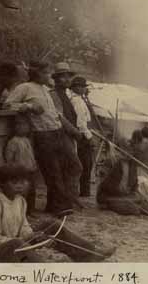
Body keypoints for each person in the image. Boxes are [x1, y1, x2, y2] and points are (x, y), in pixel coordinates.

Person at [0, 165, 115, 263]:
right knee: (16, 243)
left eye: (24, 181)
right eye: (15, 182)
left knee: (50, 225)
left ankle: (89, 254)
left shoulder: (20, 201)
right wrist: (25, 242)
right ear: (1, 184)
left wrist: (35, 236)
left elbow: (24, 229)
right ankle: (45, 272)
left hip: (14, 246)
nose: (21, 185)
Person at [3, 61, 81, 217]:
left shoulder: (46, 90)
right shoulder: (24, 88)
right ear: (36, 73)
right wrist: (29, 107)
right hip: (42, 135)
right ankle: (59, 207)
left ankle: (57, 202)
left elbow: (55, 114)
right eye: (45, 73)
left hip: (58, 131)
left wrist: (71, 130)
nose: (48, 76)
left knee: (74, 165)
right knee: (53, 171)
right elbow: (7, 105)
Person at [49, 62, 83, 201]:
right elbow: (59, 117)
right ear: (56, 79)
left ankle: (68, 198)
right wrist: (75, 131)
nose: (67, 79)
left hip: (68, 137)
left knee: (67, 168)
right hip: (60, 136)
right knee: (75, 166)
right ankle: (67, 198)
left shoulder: (66, 95)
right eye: (63, 76)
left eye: (69, 76)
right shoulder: (54, 95)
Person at [96, 147, 148, 216]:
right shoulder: (113, 162)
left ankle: (133, 205)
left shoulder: (133, 164)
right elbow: (106, 185)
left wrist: (135, 194)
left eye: (131, 151)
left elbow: (134, 184)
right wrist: (122, 194)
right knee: (133, 208)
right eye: (127, 151)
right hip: (111, 195)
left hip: (125, 195)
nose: (129, 153)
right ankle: (126, 205)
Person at [4, 114, 38, 215]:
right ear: (16, 127)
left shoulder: (27, 140)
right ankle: (21, 212)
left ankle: (30, 211)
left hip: (30, 170)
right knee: (21, 193)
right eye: (20, 125)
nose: (24, 128)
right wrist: (13, 170)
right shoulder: (13, 142)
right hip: (20, 172)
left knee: (32, 192)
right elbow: (9, 158)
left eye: (26, 126)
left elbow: (31, 155)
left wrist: (33, 165)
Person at [68, 76, 95, 197]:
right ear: (76, 87)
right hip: (82, 136)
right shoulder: (76, 101)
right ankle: (84, 191)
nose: (85, 89)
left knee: (86, 164)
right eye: (83, 87)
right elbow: (81, 123)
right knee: (85, 164)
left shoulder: (80, 99)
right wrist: (89, 137)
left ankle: (84, 190)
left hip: (83, 134)